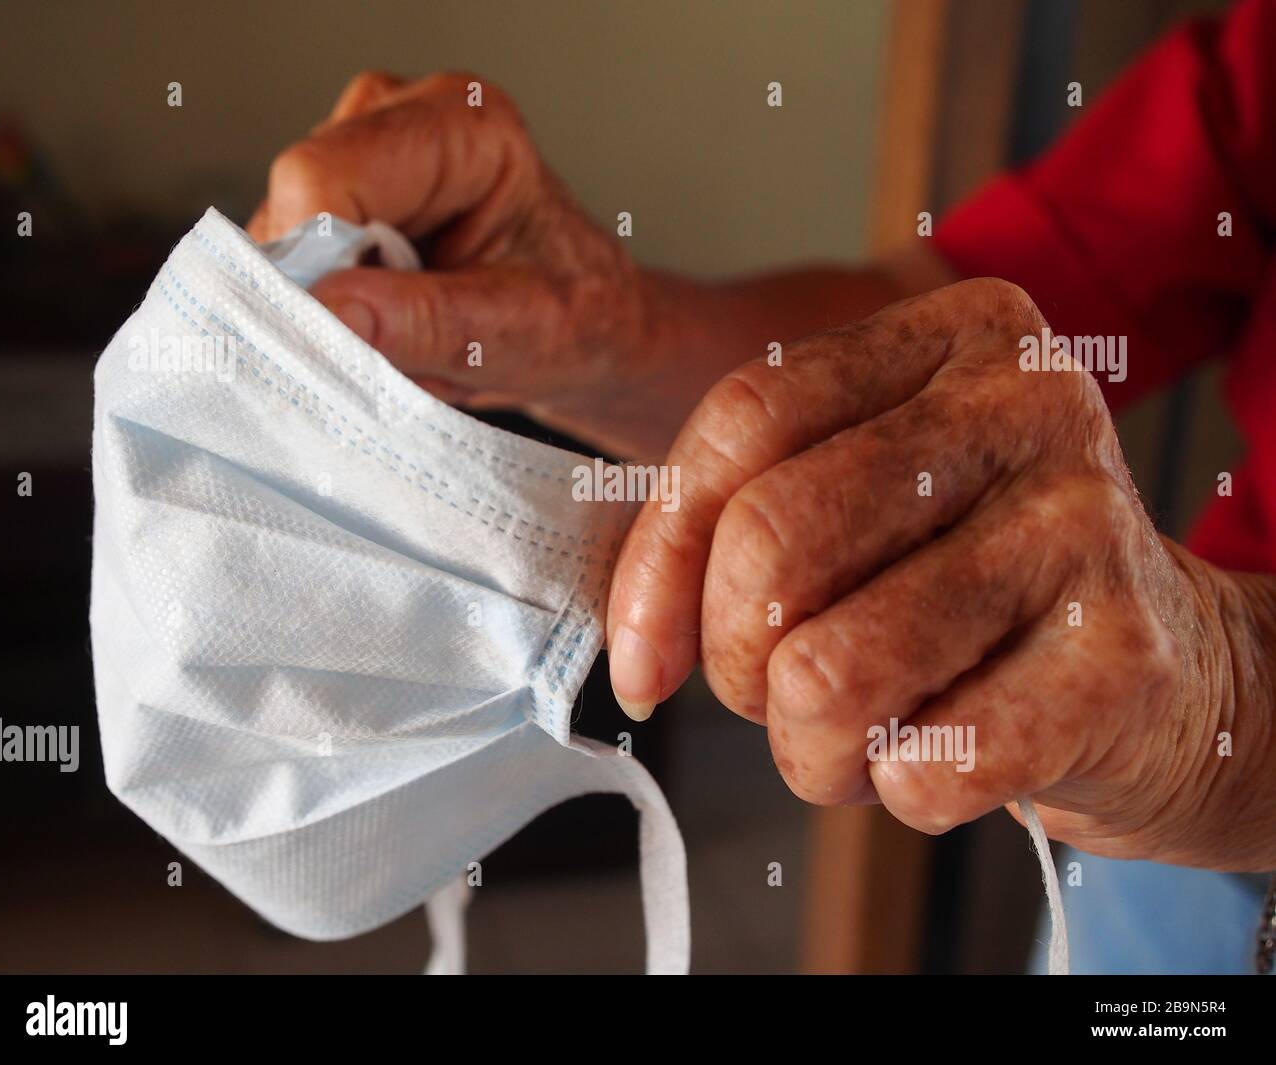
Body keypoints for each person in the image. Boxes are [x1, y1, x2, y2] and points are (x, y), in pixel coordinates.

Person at [247, 0, 1276, 973]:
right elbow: (935, 334)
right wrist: (594, 328)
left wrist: (1226, 704)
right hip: (1159, 866)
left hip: (1178, 768)